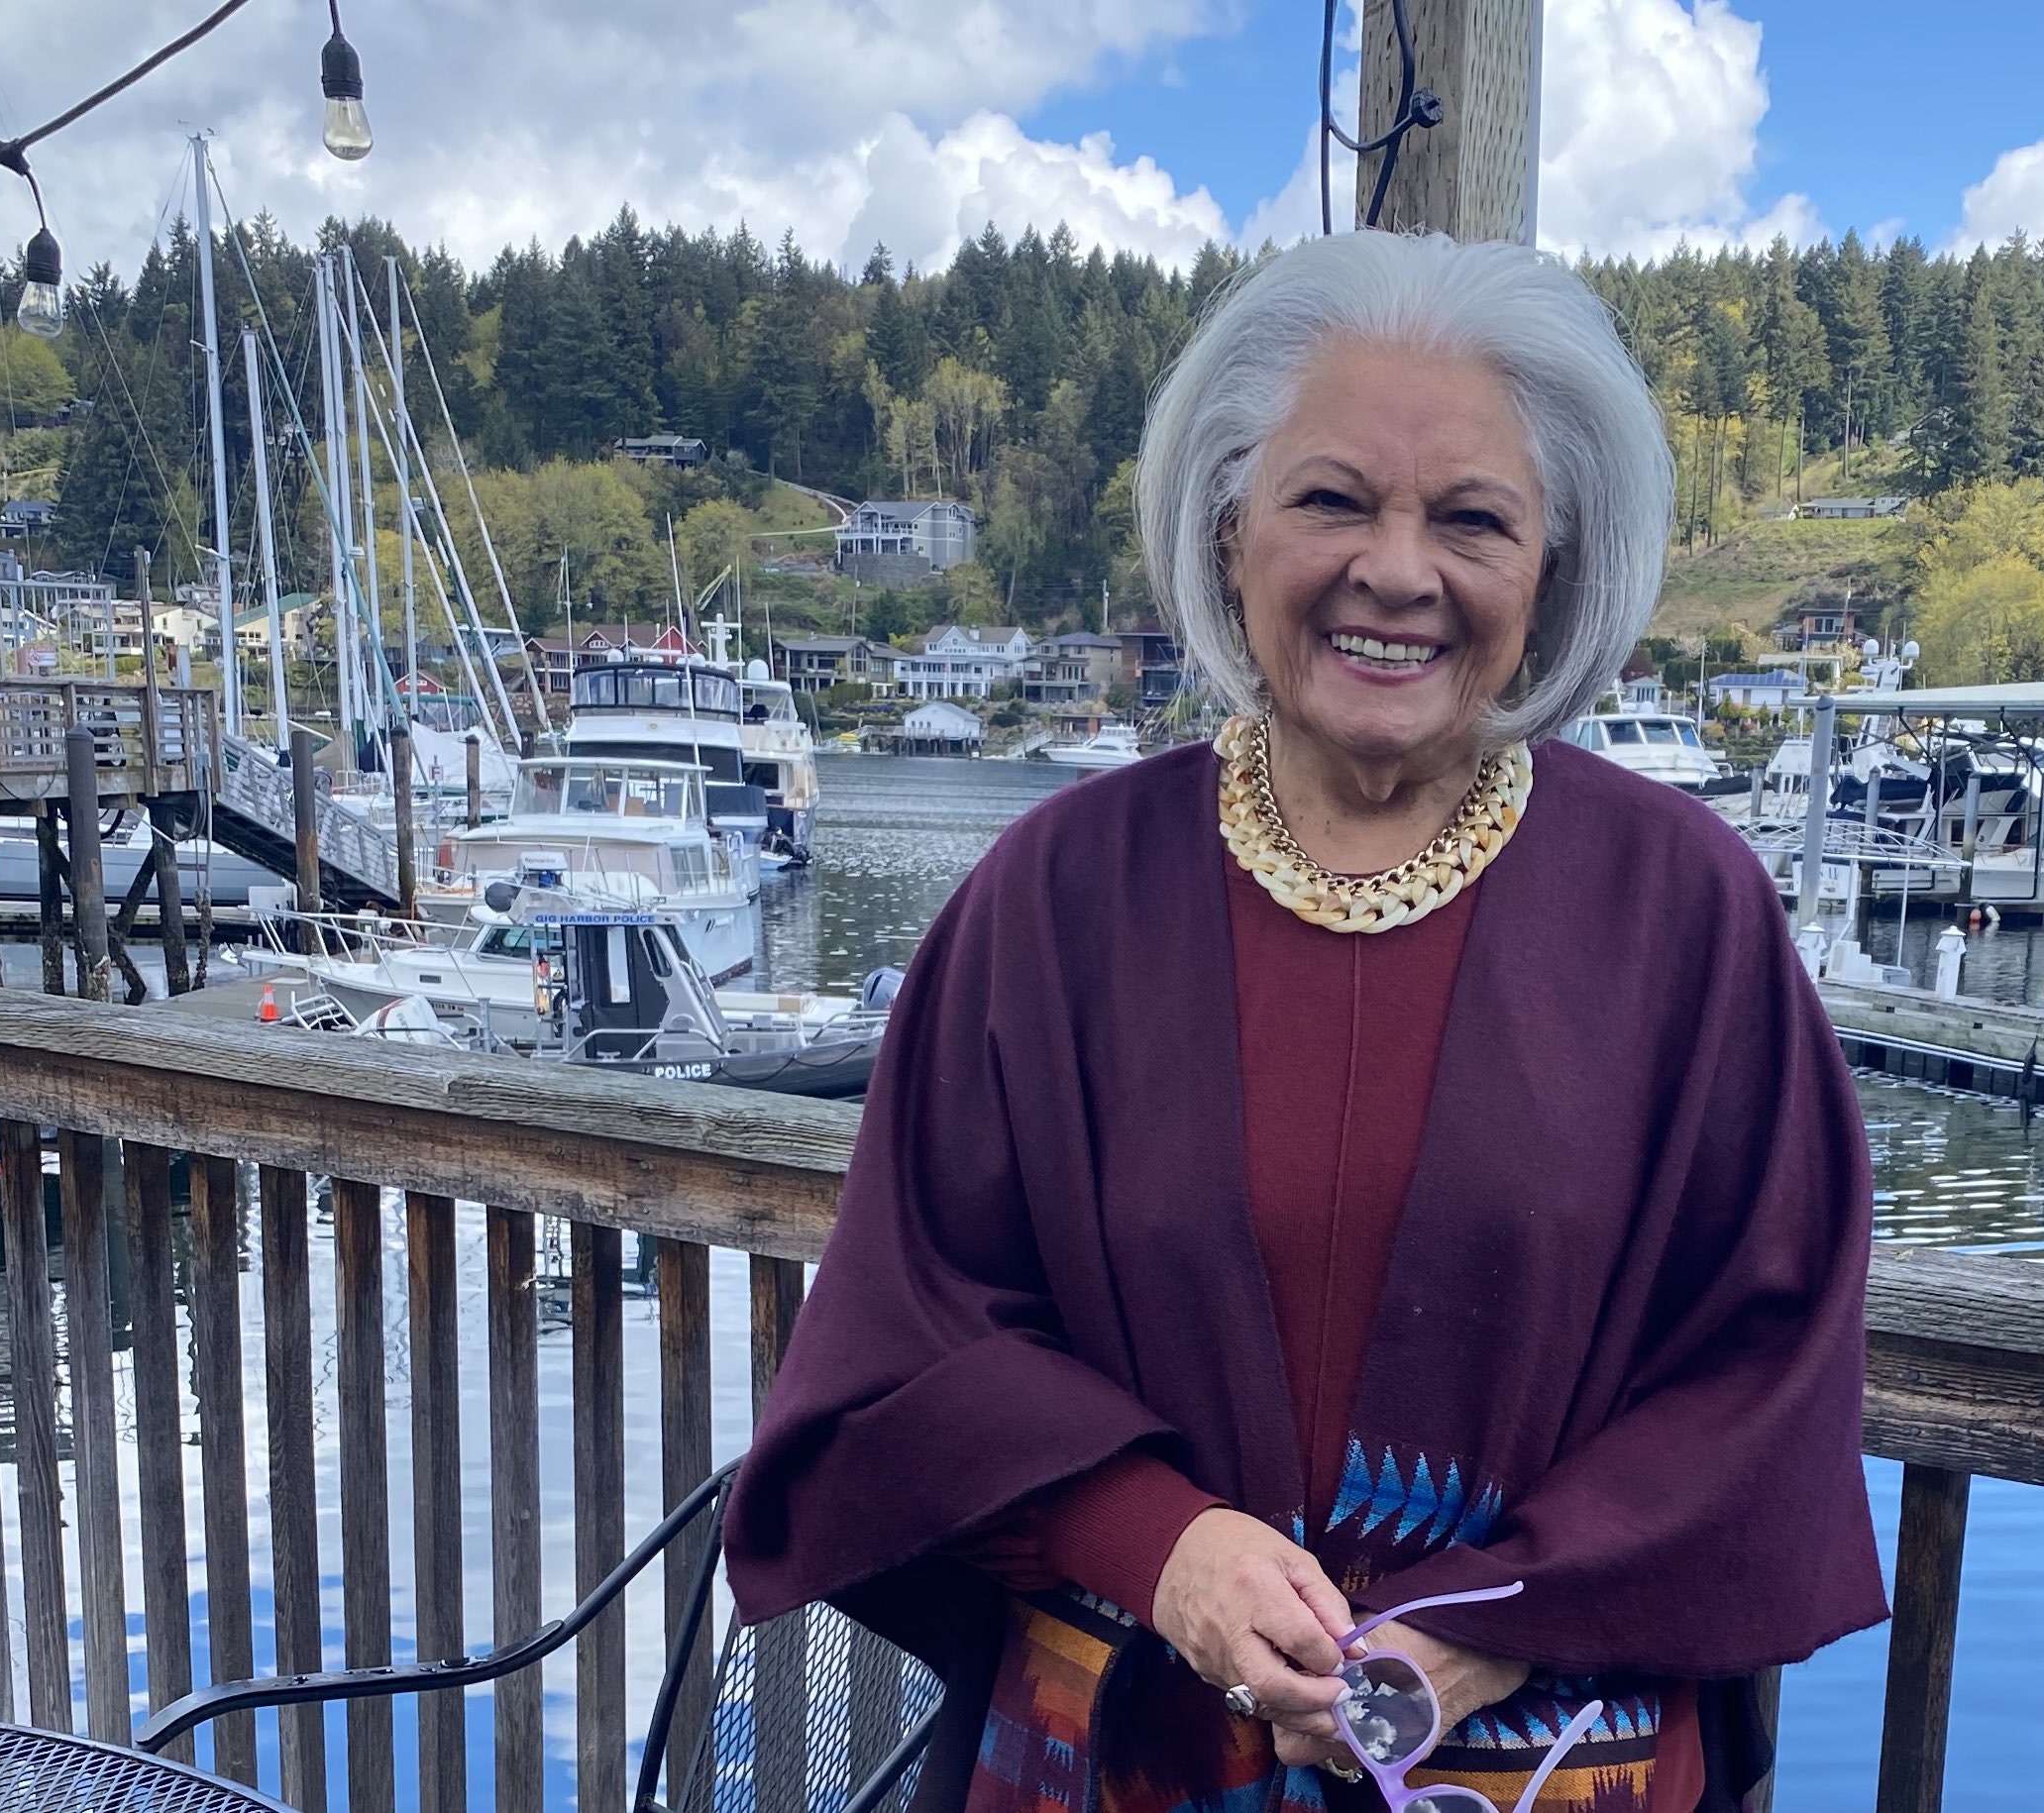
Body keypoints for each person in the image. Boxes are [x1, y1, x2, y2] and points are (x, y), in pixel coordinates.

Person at [727, 230, 1883, 1813]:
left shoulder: (1680, 912)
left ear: (1549, 567)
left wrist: (1488, 1622)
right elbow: (911, 1335)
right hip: (1120, 1749)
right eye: (1331, 498)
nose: (1396, 571)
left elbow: (1763, 1368)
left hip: (1541, 1756)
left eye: (1471, 517)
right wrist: (1164, 1545)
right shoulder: (1057, 895)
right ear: (1224, 534)